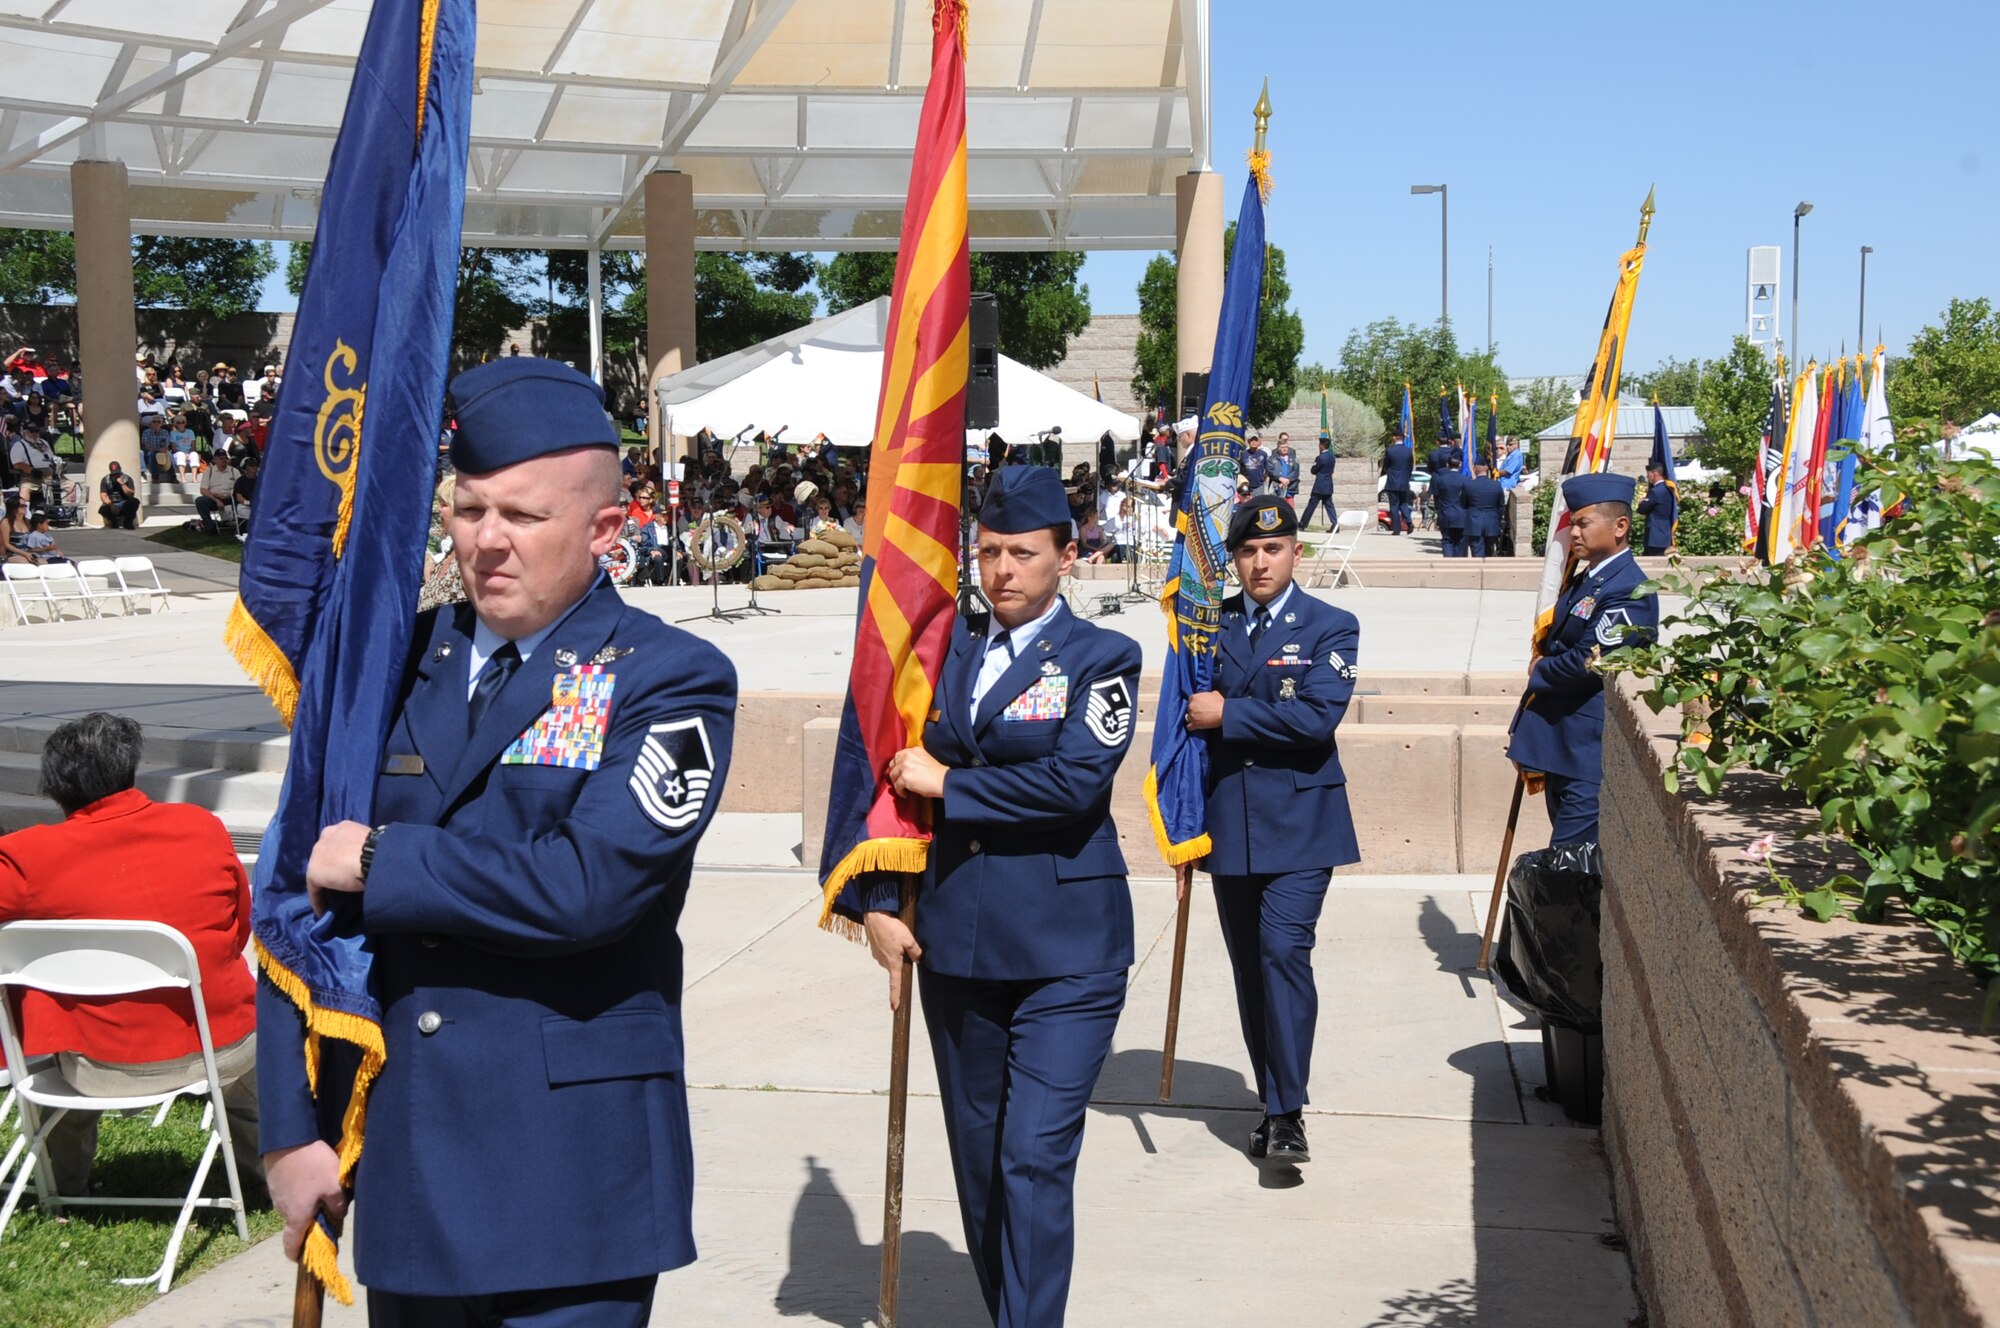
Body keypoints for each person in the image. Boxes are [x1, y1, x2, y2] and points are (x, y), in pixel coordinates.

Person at [260, 357, 739, 1324]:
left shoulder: (668, 677)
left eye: (522, 517)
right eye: (468, 510)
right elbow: (291, 897)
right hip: (409, 1162)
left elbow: (585, 886)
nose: (486, 542)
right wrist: (289, 1129)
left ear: (607, 529)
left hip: (571, 1172)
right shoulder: (388, 667)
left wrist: (381, 860)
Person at [841, 465, 1142, 1328]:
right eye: (989, 550)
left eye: (1023, 553)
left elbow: (1075, 783)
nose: (1001, 570)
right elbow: (887, 777)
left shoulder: (1102, 658)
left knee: (1032, 1157)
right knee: (980, 1164)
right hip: (959, 944)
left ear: (1066, 557)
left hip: (1067, 950)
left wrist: (951, 783)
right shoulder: (944, 652)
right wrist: (879, 902)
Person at [0, 712, 264, 1201]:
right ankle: (272, 1177)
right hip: (220, 1051)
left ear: (54, 787)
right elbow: (239, 926)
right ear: (129, 770)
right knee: (250, 1070)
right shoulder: (202, 827)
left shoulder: (26, 858)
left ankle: (62, 1188)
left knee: (50, 1048)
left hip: (96, 1069)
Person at [1185, 495, 1360, 1168]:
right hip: (1229, 822)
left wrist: (1229, 712)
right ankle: (1271, 1098)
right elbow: (1184, 725)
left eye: (1274, 549)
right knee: (1250, 970)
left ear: (1296, 552)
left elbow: (1316, 719)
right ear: (1233, 559)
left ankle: (1287, 1114)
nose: (1260, 562)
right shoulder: (1208, 626)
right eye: (1248, 552)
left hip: (1301, 822)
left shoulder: (1330, 625)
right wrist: (1180, 822)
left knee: (1284, 953)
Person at [1506, 474, 1660, 845]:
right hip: (1562, 748)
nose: (1573, 533)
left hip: (1587, 754)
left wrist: (1539, 668)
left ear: (1620, 526)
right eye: (1572, 523)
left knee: (1572, 870)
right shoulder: (1584, 581)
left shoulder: (1629, 589)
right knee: (1567, 868)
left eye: (1583, 523)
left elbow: (1590, 662)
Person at [1463, 456, 1507, 558]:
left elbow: (1463, 503)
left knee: (1477, 553)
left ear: (1474, 468)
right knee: (1489, 554)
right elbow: (1501, 506)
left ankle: (1478, 573)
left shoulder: (1469, 485)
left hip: (1474, 523)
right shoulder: (1496, 485)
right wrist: (1498, 519)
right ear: (1487, 468)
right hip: (1491, 523)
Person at [196, 451, 242, 535]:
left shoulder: (234, 471)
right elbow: (203, 490)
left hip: (231, 498)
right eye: (221, 458)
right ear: (215, 460)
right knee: (200, 501)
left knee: (241, 502)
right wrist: (216, 500)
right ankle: (210, 527)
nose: (224, 460)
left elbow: (240, 487)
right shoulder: (209, 471)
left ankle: (241, 526)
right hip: (214, 499)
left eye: (225, 458)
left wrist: (232, 494)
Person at [1431, 456, 1468, 557]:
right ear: (1460, 465)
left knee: (1447, 541)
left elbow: (1437, 497)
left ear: (1447, 465)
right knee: (1461, 542)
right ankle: (1459, 566)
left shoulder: (1440, 480)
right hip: (1462, 515)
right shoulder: (1466, 480)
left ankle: (1448, 564)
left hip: (1445, 514)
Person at [1637, 461, 1677, 556]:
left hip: (1655, 536)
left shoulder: (1655, 492)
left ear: (1654, 473)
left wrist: (1641, 503)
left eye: (1648, 474)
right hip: (1665, 533)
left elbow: (1642, 510)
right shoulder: (1669, 489)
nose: (1647, 477)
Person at [1299, 434, 1337, 532]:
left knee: (1311, 505)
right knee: (1329, 506)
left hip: (1319, 486)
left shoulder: (1320, 458)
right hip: (1328, 485)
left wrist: (1314, 467)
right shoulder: (1332, 457)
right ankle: (1335, 524)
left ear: (1322, 446)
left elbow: (1314, 470)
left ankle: (1303, 524)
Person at [1381, 429, 1415, 535]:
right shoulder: (1409, 451)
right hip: (1404, 481)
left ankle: (1397, 529)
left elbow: (1386, 465)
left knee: (1394, 506)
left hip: (1393, 481)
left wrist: (1389, 472)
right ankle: (1408, 521)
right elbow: (1410, 466)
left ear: (1395, 437)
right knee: (1403, 503)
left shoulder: (1390, 451)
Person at [97, 460, 138, 529]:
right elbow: (103, 495)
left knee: (134, 502)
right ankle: (114, 522)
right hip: (112, 502)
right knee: (102, 509)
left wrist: (122, 484)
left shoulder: (127, 478)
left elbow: (131, 494)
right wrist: (111, 505)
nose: (116, 476)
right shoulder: (105, 480)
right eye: (114, 474)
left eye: (117, 474)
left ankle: (128, 522)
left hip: (124, 502)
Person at [1269, 433, 1299, 501]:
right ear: (1278, 448)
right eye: (1282, 447)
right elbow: (1270, 470)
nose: (1285, 449)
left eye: (1286, 447)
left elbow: (1295, 471)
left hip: (1290, 487)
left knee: (1289, 508)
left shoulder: (1293, 456)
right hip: (1277, 487)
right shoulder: (1272, 457)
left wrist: (1287, 480)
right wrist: (1280, 480)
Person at [1240, 432, 1269, 496]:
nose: (1253, 442)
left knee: (1258, 505)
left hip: (1258, 486)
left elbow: (1267, 469)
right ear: (1248, 441)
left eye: (1255, 440)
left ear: (1259, 442)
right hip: (1245, 485)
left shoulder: (1263, 454)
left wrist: (1263, 479)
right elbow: (1240, 469)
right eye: (1251, 440)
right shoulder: (1243, 454)